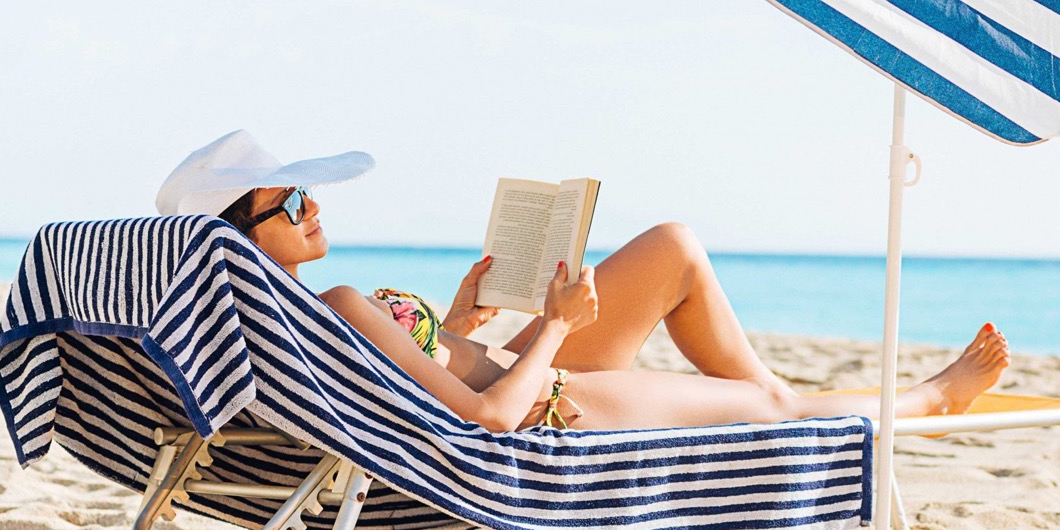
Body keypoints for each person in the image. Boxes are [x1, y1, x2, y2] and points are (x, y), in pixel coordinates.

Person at [157, 131, 1010, 434]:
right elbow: (488, 415)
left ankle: (779, 410)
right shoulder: (333, 306)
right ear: (242, 239)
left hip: (520, 370)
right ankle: (931, 401)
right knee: (772, 410)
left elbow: (426, 380)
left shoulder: (307, 316)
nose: (314, 208)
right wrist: (559, 325)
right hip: (555, 400)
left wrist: (457, 320)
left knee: (673, 246)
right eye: (290, 201)